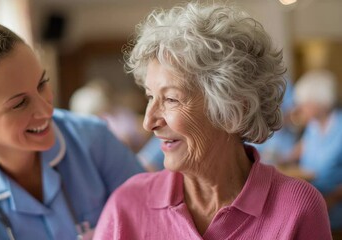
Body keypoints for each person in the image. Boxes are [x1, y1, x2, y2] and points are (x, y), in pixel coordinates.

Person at [94, 3, 332, 239]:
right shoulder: (126, 206)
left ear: (234, 109)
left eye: (170, 99)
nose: (149, 122)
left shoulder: (297, 208)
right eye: (150, 96)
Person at [0, 18, 144, 240]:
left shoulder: (94, 139)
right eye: (19, 104)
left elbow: (153, 221)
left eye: (41, 84)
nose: (46, 110)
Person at [289, 69, 342, 232]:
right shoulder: (313, 125)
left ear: (321, 102)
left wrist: (329, 200)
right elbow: (301, 148)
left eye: (305, 103)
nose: (300, 108)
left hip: (333, 203)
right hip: (312, 196)